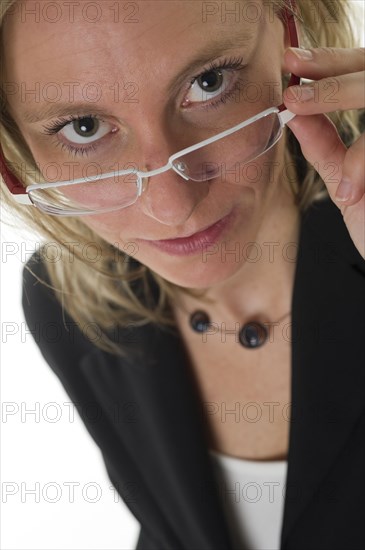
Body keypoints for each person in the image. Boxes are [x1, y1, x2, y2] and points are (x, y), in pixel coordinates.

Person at [1, 0, 364, 548]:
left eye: (210, 82)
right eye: (84, 126)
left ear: (290, 39)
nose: (173, 206)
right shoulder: (63, 298)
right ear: (14, 154)